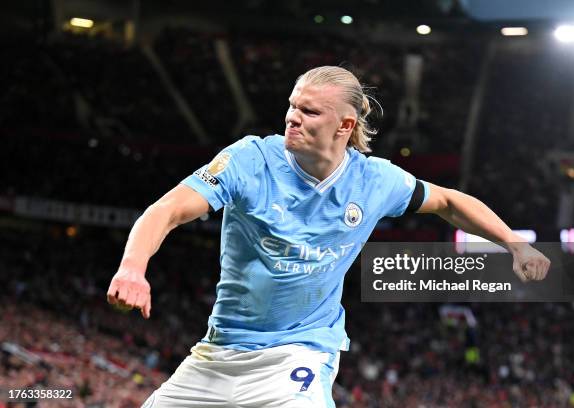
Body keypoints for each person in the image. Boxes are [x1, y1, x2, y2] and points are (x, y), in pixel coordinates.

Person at [107, 66, 550, 407]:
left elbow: (451, 202)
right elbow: (166, 210)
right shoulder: (249, 159)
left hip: (298, 353)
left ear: (344, 126)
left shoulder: (374, 181)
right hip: (220, 352)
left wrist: (514, 242)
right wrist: (133, 267)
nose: (292, 118)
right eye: (292, 106)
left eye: (309, 111)